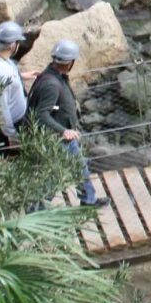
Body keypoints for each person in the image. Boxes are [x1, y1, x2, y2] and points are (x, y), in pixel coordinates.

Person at [26, 39, 98, 206]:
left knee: (79, 167)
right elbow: (41, 114)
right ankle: (37, 212)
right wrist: (62, 131)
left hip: (65, 136)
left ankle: (88, 199)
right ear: (70, 63)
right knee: (53, 177)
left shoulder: (54, 75)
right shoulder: (51, 83)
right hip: (57, 139)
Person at [0, 20, 29, 154]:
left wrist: (21, 76)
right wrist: (11, 135)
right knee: (13, 159)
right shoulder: (2, 74)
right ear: (13, 45)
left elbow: (6, 75)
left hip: (11, 122)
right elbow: (1, 107)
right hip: (12, 126)